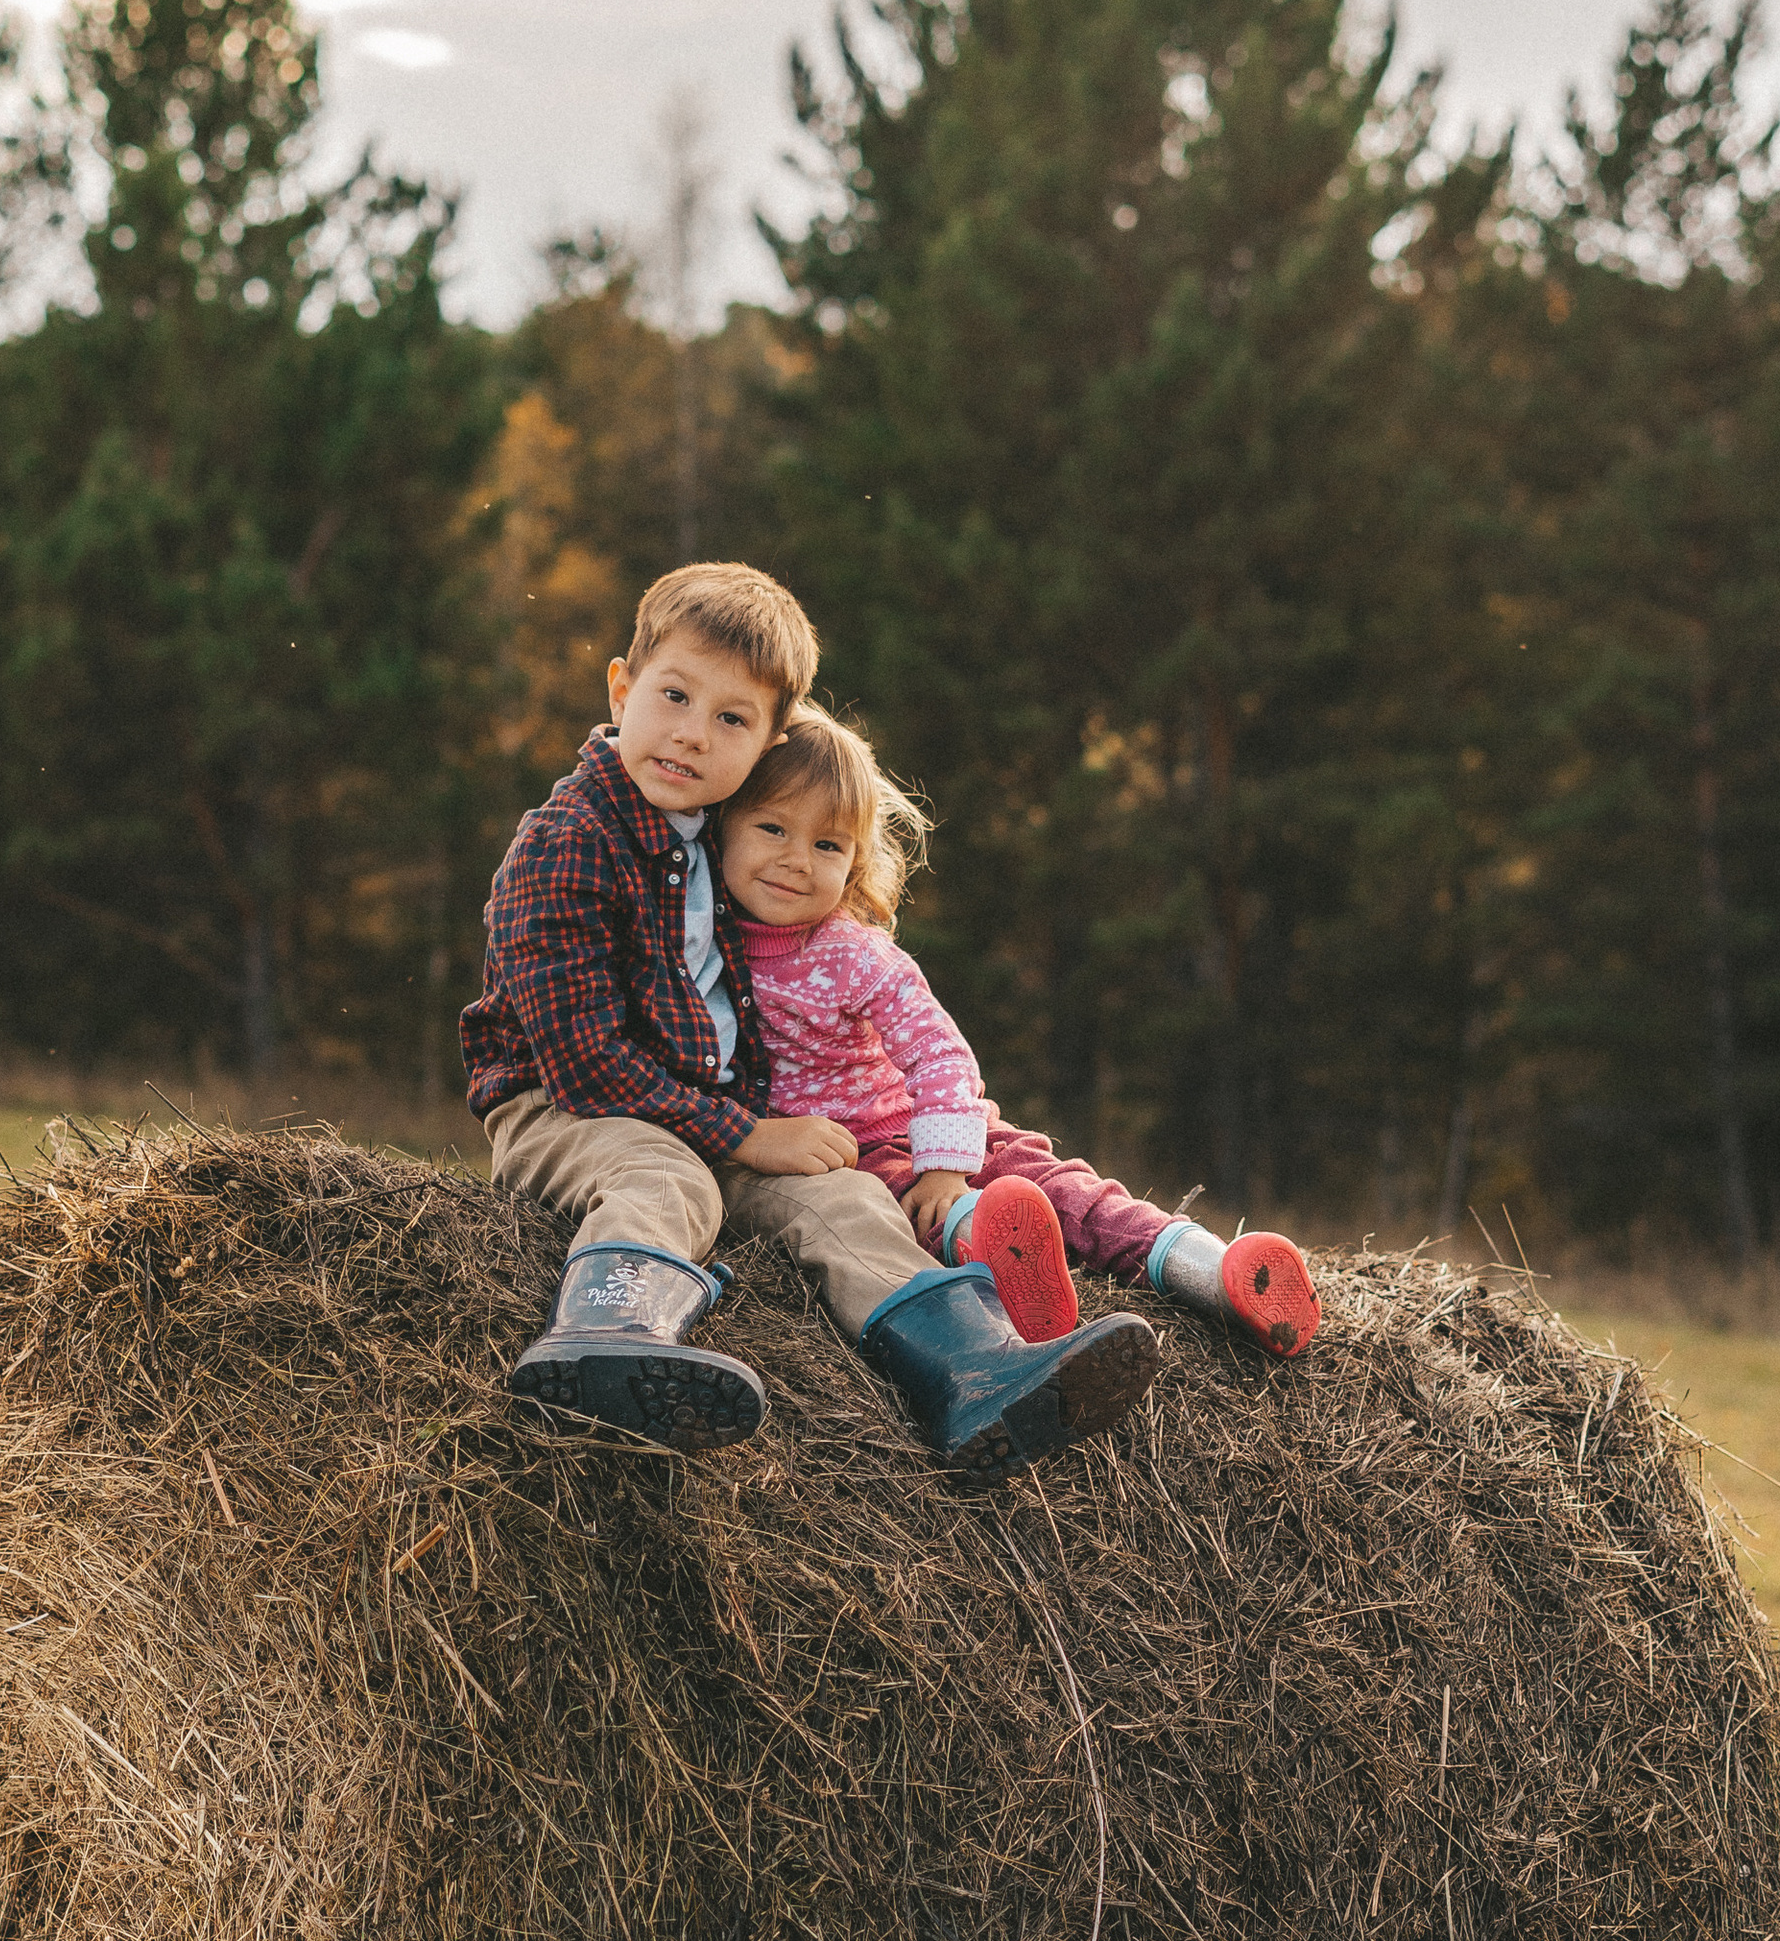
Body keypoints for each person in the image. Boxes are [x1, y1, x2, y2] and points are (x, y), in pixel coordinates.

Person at [460, 561, 1160, 1479]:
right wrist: (749, 1134)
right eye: (673, 696)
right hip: (564, 1109)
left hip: (703, 1117)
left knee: (848, 1196)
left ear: (765, 744)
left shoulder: (716, 838)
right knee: (668, 1178)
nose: (692, 733)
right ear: (621, 690)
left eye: (732, 719)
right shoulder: (567, 845)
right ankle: (604, 1333)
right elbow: (587, 1064)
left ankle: (972, 1372)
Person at [717, 703, 1321, 1360]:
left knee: (1068, 1191)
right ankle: (1007, 1262)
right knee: (905, 1210)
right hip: (847, 1157)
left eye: (828, 845)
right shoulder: (695, 948)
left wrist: (945, 1165)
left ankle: (1215, 1271)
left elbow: (939, 1055)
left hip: (938, 1130)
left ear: (856, 861)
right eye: (773, 828)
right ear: (722, 826)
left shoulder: (855, 955)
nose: (797, 860)